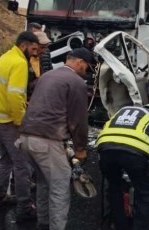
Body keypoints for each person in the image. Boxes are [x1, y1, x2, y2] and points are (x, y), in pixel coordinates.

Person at [18, 47, 95, 230]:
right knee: (60, 187)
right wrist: (80, 149)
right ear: (80, 62)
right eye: (87, 67)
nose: (86, 72)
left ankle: (43, 223)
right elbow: (78, 120)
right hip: (47, 140)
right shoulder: (76, 82)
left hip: (25, 138)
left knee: (44, 182)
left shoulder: (47, 76)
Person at [0, 31, 39, 221]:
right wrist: (21, 122)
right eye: (33, 49)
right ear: (24, 45)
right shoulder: (19, 63)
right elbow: (15, 95)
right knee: (22, 165)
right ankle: (25, 207)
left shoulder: (5, 57)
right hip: (9, 123)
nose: (35, 53)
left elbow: (5, 90)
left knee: (6, 160)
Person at [96, 104, 149, 230]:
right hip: (133, 154)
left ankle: (119, 225)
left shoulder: (121, 111)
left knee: (114, 187)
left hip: (106, 150)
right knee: (144, 192)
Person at [28, 30, 52, 98]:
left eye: (46, 47)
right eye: (42, 47)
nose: (44, 51)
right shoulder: (24, 60)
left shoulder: (38, 58)